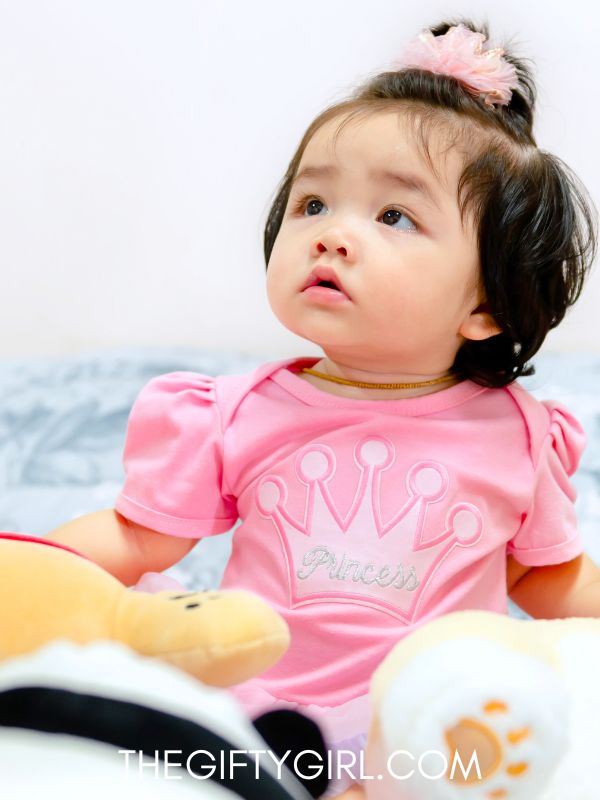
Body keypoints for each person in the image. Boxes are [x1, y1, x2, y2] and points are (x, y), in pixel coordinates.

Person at [49, 18, 600, 799]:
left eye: (394, 217)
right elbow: (139, 537)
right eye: (312, 203)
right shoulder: (236, 412)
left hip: (420, 720)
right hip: (256, 702)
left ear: (486, 305)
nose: (331, 236)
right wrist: (34, 573)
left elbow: (547, 580)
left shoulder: (518, 435)